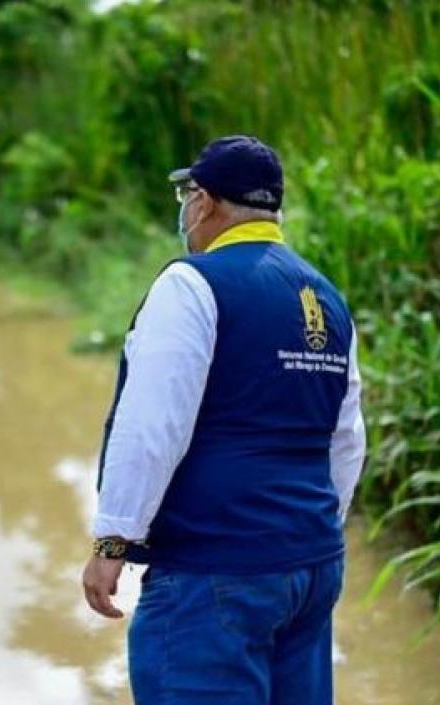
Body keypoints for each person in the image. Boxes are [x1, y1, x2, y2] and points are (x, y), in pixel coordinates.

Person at [81, 136, 366, 705]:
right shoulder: (328, 297)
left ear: (205, 202)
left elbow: (152, 429)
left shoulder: (192, 285)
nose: (185, 210)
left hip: (215, 576)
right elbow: (347, 441)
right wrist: (303, 530)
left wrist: (112, 544)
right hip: (311, 567)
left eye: (187, 196)